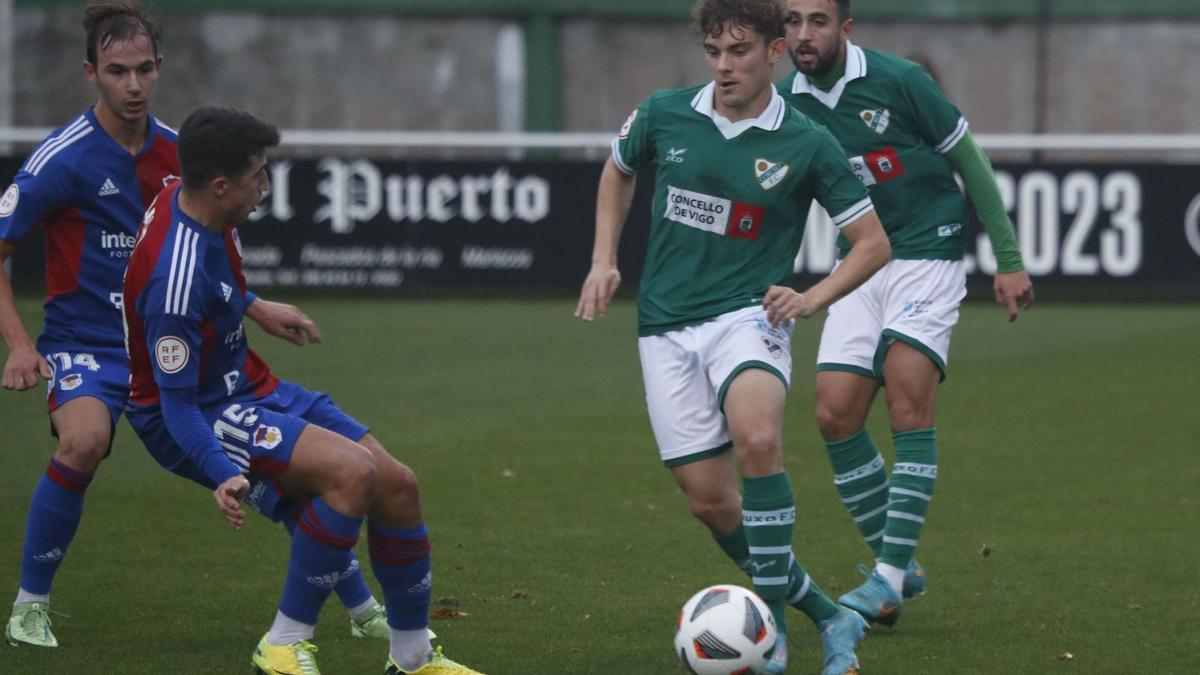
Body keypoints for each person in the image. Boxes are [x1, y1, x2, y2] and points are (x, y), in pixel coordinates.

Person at [1, 0, 389, 649]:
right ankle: (29, 603)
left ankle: (359, 603)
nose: (132, 84)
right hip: (87, 343)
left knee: (268, 472)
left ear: (160, 68)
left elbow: (203, 253)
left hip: (165, 347)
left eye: (144, 69)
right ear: (90, 71)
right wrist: (17, 343)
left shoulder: (184, 154)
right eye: (117, 70)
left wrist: (255, 305)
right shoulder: (59, 160)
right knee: (84, 441)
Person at [575, 1, 890, 672]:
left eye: (740, 51)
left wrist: (810, 297)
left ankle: (768, 632)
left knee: (758, 438)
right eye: (715, 52)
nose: (724, 66)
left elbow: (871, 243)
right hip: (664, 326)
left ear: (774, 52)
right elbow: (617, 170)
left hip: (749, 317)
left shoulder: (805, 140)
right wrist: (605, 258)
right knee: (709, 500)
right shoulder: (665, 113)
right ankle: (831, 616)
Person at [122, 105, 481, 675]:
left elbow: (214, 281)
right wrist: (221, 472)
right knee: (350, 473)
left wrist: (253, 307)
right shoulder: (174, 281)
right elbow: (175, 404)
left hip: (247, 384)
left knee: (397, 485)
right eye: (257, 174)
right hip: (195, 412)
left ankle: (412, 660)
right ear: (220, 186)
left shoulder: (193, 203)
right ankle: (283, 644)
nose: (266, 184)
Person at [779, 0, 1035, 627]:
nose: (802, 34)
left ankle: (888, 578)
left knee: (906, 399)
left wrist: (1008, 257)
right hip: (861, 260)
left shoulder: (901, 82)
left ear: (846, 28)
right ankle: (900, 563)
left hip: (928, 249)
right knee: (835, 414)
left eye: (816, 20)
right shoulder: (785, 104)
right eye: (790, 21)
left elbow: (968, 160)